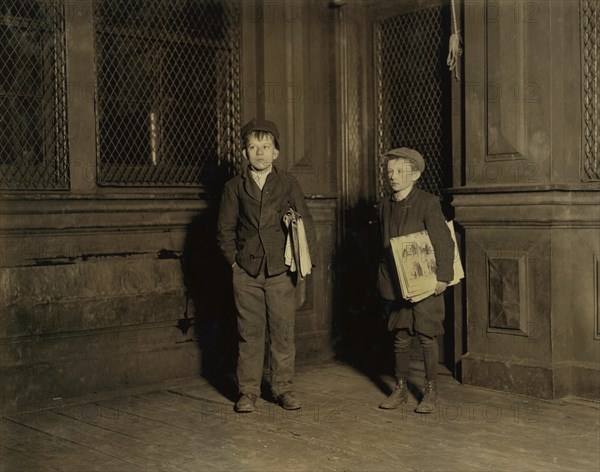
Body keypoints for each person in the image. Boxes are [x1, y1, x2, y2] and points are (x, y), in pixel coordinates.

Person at [217, 118, 316, 413]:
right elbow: (224, 231)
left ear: (276, 152)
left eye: (266, 146)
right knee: (250, 332)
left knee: (283, 332)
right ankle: (248, 391)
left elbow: (305, 222)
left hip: (280, 272)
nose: (259, 152)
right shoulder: (234, 187)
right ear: (244, 154)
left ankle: (283, 389)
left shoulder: (288, 182)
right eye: (253, 147)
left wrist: (303, 263)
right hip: (246, 272)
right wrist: (235, 262)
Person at [377, 147, 454, 414]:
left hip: (425, 283)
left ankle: (430, 391)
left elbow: (444, 242)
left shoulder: (428, 202)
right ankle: (400, 389)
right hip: (397, 283)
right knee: (400, 336)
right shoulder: (385, 204)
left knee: (427, 336)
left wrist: (443, 277)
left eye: (400, 171)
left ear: (416, 174)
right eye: (390, 171)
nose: (394, 176)